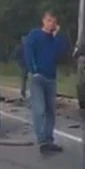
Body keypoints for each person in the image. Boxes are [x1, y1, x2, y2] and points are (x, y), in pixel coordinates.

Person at [23, 11, 69, 153]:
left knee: (50, 111)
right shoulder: (35, 35)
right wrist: (33, 69)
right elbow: (28, 52)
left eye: (54, 22)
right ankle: (42, 140)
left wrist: (57, 36)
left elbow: (62, 52)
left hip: (51, 78)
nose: (51, 24)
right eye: (49, 21)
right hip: (38, 77)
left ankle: (48, 139)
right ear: (43, 21)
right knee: (39, 109)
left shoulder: (54, 39)